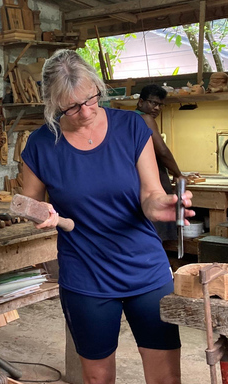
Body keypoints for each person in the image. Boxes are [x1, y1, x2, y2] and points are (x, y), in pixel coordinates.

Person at [21, 50, 193, 384]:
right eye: (71, 107)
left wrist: (160, 205)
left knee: (166, 378)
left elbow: (150, 193)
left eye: (90, 99)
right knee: (98, 379)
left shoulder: (130, 127)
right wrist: (38, 212)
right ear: (53, 104)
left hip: (145, 269)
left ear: (98, 88)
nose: (84, 111)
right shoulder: (41, 144)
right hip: (87, 276)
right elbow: (27, 200)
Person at [135, 84, 182, 195]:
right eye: (154, 103)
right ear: (141, 102)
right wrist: (178, 174)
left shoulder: (129, 117)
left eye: (161, 105)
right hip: (147, 182)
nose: (157, 108)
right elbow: (162, 151)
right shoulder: (146, 118)